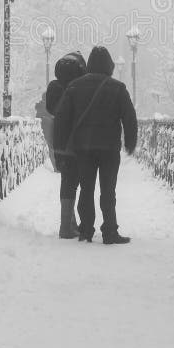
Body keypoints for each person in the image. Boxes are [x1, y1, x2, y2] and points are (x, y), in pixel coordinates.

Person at [53, 45, 137, 244]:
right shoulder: (118, 88)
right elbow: (129, 117)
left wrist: (60, 146)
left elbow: (62, 118)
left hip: (84, 148)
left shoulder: (74, 87)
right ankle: (109, 231)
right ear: (109, 65)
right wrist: (130, 142)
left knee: (86, 189)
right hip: (109, 149)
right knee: (108, 190)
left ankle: (86, 230)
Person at [45, 51, 86, 239]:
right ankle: (67, 226)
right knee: (76, 181)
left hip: (59, 139)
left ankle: (69, 223)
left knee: (67, 180)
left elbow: (49, 109)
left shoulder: (54, 86)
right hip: (78, 139)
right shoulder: (81, 85)